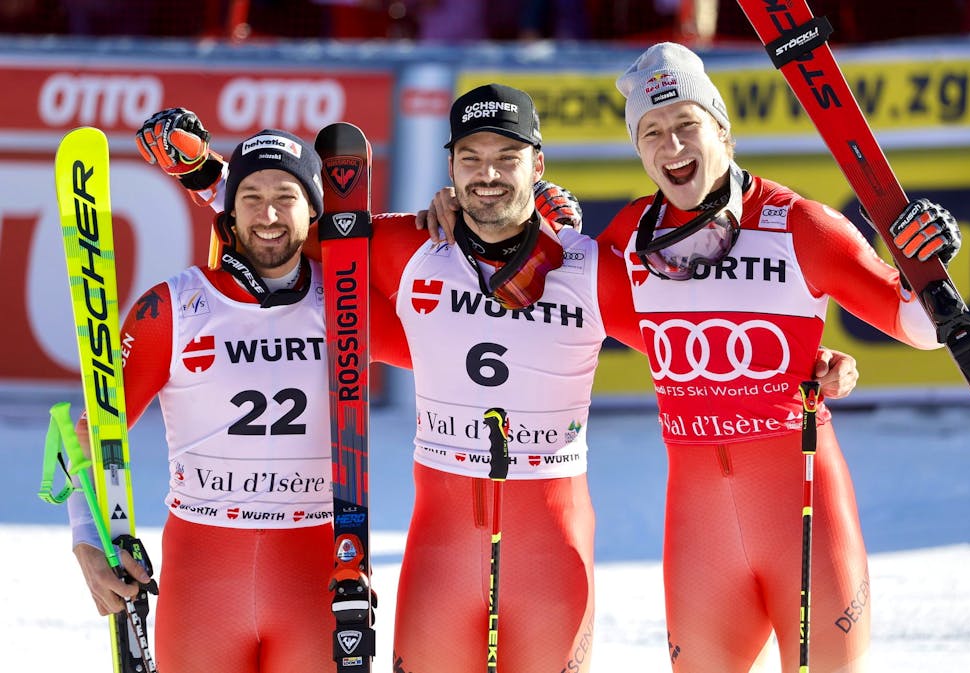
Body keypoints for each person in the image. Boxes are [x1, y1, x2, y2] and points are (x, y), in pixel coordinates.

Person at [132, 90, 858, 673]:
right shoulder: (417, 244)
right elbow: (291, 236)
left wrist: (803, 361)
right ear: (450, 168)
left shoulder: (588, 265)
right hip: (440, 555)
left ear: (537, 165)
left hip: (552, 550)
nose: (488, 171)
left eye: (507, 156)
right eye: (472, 157)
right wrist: (210, 180)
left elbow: (689, 334)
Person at [422, 48, 961, 673]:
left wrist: (928, 263)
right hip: (699, 527)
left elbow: (921, 328)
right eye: (652, 131)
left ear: (722, 130)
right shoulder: (627, 239)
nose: (672, 144)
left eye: (687, 124)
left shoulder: (801, 226)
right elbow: (530, 292)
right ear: (638, 149)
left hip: (804, 512)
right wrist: (464, 210)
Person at [67, 126, 408, 672]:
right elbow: (85, 430)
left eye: (285, 197)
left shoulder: (347, 303)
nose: (267, 215)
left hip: (314, 570)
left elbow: (455, 340)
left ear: (312, 211)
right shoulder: (173, 307)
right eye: (251, 198)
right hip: (204, 574)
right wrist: (89, 540)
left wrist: (533, 230)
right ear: (229, 213)